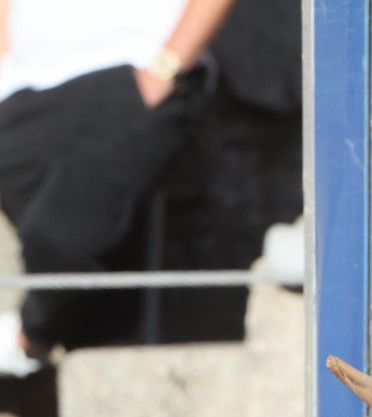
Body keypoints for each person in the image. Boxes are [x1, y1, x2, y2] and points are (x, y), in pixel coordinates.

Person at [0, 0, 236, 376]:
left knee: (63, 239)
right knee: (88, 282)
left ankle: (29, 337)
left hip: (136, 71)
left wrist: (167, 68)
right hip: (21, 93)